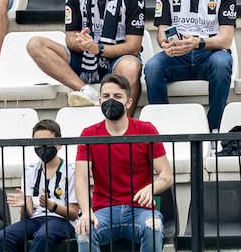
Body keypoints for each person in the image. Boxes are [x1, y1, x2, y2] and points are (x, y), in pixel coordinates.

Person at [26, 0, 144, 108]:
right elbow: (70, 39)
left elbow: (133, 47)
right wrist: (81, 43)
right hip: (83, 58)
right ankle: (86, 91)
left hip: (115, 59)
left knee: (131, 66)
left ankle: (123, 124)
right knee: (35, 44)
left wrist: (99, 49)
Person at [144, 0, 236, 129]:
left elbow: (226, 39)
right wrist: (166, 44)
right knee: (153, 67)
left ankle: (214, 129)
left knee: (222, 63)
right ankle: (161, 129)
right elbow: (162, 30)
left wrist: (198, 42)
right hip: (178, 55)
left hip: (208, 54)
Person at [74, 73, 173, 252]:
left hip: (140, 211)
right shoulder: (88, 134)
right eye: (106, 96)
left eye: (117, 96)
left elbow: (166, 175)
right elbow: (80, 179)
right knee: (83, 232)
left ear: (129, 102)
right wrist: (86, 211)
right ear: (99, 101)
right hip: (103, 211)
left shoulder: (146, 130)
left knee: (153, 227)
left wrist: (151, 188)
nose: (110, 100)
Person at [0, 119, 79, 252]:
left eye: (47, 142)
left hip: (62, 221)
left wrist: (52, 206)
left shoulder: (71, 171)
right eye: (38, 143)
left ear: (59, 144)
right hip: (35, 220)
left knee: (43, 236)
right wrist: (23, 205)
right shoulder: (29, 171)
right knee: (1, 238)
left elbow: (73, 214)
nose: (42, 147)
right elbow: (27, 215)